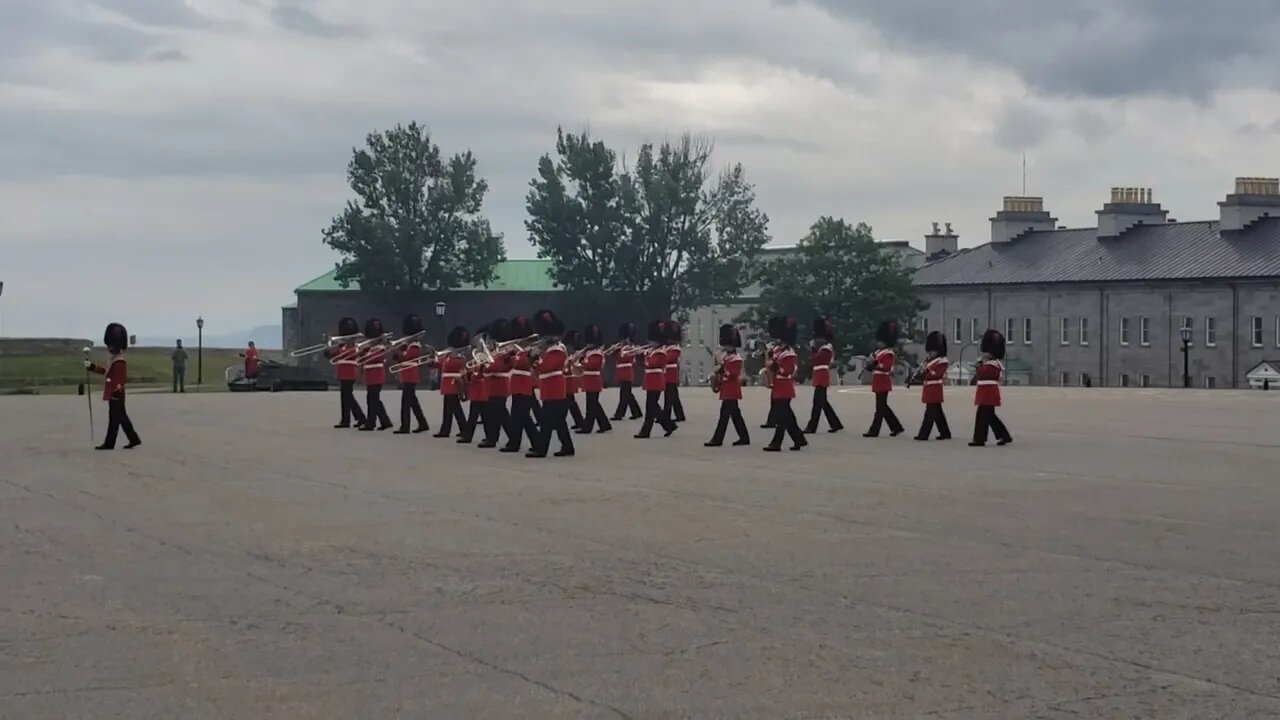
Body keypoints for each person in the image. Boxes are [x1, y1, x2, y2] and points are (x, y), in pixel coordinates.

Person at [86, 322, 141, 450]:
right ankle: (134, 438)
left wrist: (117, 389)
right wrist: (92, 367)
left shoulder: (119, 360)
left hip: (117, 392)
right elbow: (106, 371)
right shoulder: (113, 359)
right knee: (121, 417)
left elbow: (121, 378)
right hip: (115, 391)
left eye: (110, 345)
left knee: (114, 419)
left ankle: (109, 443)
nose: (108, 348)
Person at [529, 309, 574, 458]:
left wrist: (534, 360)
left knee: (547, 421)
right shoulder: (549, 348)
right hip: (549, 386)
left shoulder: (557, 348)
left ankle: (541, 449)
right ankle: (567, 447)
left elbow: (547, 367)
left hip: (555, 385)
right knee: (558, 420)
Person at [764, 316, 807, 452]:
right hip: (778, 386)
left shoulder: (789, 353)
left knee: (782, 417)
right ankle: (799, 440)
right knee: (787, 417)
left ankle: (776, 443)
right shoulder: (778, 350)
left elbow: (787, 371)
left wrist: (775, 366)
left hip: (785, 386)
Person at [500, 315, 542, 453]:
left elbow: (528, 364)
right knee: (516, 416)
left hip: (525, 383)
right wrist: (508, 357)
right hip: (517, 383)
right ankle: (514, 442)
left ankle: (536, 442)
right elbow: (511, 364)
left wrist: (515, 356)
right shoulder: (517, 349)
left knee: (523, 417)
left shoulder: (532, 349)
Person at [705, 324, 749, 447]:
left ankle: (717, 439)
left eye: (726, 345)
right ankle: (744, 437)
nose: (724, 347)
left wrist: (721, 369)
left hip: (732, 389)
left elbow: (733, 374)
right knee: (735, 415)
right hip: (727, 388)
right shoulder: (727, 357)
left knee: (724, 416)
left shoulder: (736, 358)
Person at [635, 320, 678, 439]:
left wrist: (643, 355)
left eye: (651, 341)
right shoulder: (653, 351)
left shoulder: (660, 352)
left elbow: (652, 364)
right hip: (650, 380)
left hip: (656, 380)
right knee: (652, 407)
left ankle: (658, 427)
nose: (649, 343)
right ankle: (665, 426)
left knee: (652, 406)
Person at [971, 329, 1013, 447]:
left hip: (989, 393)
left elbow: (984, 373)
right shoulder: (989, 363)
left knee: (982, 416)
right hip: (985, 392)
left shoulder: (994, 364)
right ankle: (1004, 436)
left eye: (987, 352)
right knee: (989, 417)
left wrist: (979, 366)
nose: (985, 354)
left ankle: (979, 439)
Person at [863, 320, 905, 438]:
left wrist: (874, 362)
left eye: (880, 341)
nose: (878, 343)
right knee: (883, 407)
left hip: (883, 381)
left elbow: (885, 367)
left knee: (880, 408)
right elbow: (875, 366)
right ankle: (896, 427)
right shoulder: (878, 352)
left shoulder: (889, 353)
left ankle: (874, 430)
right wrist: (870, 364)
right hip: (877, 380)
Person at [324, 317, 366, 429]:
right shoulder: (341, 344)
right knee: (346, 396)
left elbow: (351, 354)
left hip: (350, 370)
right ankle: (355, 418)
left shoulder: (354, 343)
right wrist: (328, 353)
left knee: (347, 396)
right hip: (342, 370)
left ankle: (351, 419)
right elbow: (335, 355)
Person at [803, 317, 844, 434]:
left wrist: (812, 350)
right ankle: (835, 423)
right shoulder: (821, 347)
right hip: (818, 374)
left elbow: (817, 359)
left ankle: (812, 426)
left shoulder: (826, 348)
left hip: (822, 375)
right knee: (823, 402)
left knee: (817, 403)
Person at [392, 313, 429, 434]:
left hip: (411, 373)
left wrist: (400, 354)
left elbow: (409, 356)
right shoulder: (408, 344)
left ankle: (405, 426)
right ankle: (422, 423)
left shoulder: (415, 345)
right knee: (412, 401)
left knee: (406, 402)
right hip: (406, 373)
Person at [480, 317, 513, 448]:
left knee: (500, 414)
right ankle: (492, 438)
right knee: (494, 413)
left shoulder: (506, 349)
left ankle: (498, 438)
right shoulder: (495, 349)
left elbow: (500, 366)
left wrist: (487, 366)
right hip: (491, 383)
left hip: (500, 382)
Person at [914, 331, 952, 441]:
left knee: (930, 413)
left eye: (933, 350)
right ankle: (945, 432)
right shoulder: (929, 361)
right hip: (929, 388)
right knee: (937, 412)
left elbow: (936, 374)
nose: (931, 353)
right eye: (930, 350)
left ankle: (923, 434)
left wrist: (925, 371)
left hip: (935, 388)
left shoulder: (942, 361)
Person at [357, 319, 393, 431]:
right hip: (369, 373)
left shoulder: (381, 344)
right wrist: (363, 352)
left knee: (372, 399)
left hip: (377, 372)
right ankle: (385, 421)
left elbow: (377, 357)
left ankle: (371, 422)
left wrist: (366, 353)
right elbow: (360, 358)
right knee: (373, 399)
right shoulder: (368, 344)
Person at [433, 326, 469, 438]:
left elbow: (457, 365)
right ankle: (459, 428)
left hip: (455, 381)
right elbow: (443, 365)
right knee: (451, 407)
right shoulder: (449, 352)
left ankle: (450, 429)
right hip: (447, 382)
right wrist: (434, 363)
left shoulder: (462, 353)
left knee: (453, 408)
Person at [576, 324, 612, 434]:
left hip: (594, 379)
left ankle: (587, 427)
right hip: (589, 379)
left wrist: (581, 361)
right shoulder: (588, 352)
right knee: (594, 404)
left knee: (591, 405)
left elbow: (593, 365)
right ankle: (604, 424)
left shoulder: (597, 353)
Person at [458, 339, 489, 444]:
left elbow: (481, 373)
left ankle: (468, 436)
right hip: (477, 389)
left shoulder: (486, 358)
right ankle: (487, 436)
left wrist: (471, 375)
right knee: (479, 415)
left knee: (477, 416)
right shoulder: (479, 358)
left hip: (481, 389)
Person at [611, 323, 642, 421]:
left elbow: (626, 358)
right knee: (627, 394)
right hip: (621, 372)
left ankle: (619, 414)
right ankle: (636, 412)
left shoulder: (630, 347)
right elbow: (614, 357)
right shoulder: (621, 347)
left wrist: (620, 350)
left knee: (625, 395)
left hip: (627, 372)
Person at [561, 329, 587, 430]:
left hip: (569, 375)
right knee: (569, 401)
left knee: (568, 401)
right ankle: (579, 421)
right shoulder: (567, 347)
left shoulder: (570, 348)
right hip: (567, 374)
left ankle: (577, 421)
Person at [663, 321, 686, 423]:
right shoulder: (666, 348)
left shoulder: (675, 348)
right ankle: (680, 415)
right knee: (673, 396)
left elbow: (667, 359)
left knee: (669, 396)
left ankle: (665, 416)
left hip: (672, 374)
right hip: (667, 373)